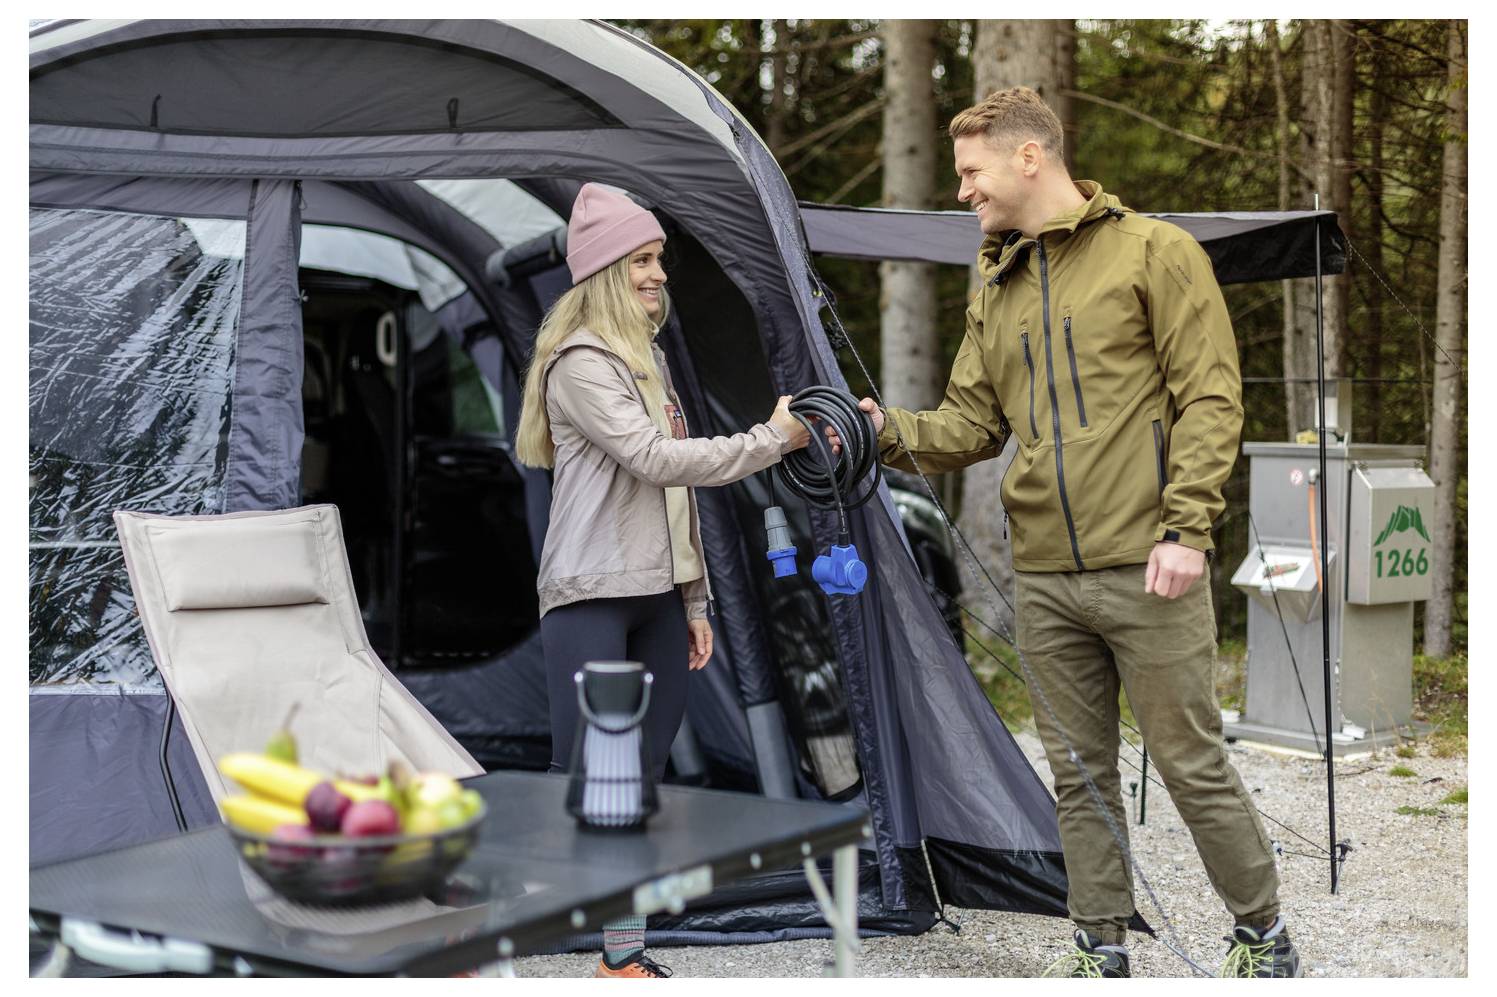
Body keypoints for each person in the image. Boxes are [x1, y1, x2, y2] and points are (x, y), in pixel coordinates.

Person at [851, 88, 1301, 978]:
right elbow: (969, 427)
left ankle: (1262, 934)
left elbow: (1210, 397)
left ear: (1028, 157)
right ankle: (1098, 945)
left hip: (1149, 564)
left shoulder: (1154, 251)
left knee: (1188, 761)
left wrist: (1186, 528)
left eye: (971, 172)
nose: (961, 191)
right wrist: (878, 430)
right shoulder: (996, 282)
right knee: (1078, 774)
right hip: (1046, 574)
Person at [515, 182, 810, 978]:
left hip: (653, 596)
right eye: (643, 260)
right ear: (608, 269)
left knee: (635, 778)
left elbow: (670, 499)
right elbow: (655, 460)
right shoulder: (581, 362)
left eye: (659, 261)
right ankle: (477, 915)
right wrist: (770, 438)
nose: (658, 275)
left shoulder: (644, 361)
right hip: (590, 594)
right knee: (579, 772)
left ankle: (621, 954)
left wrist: (694, 598)